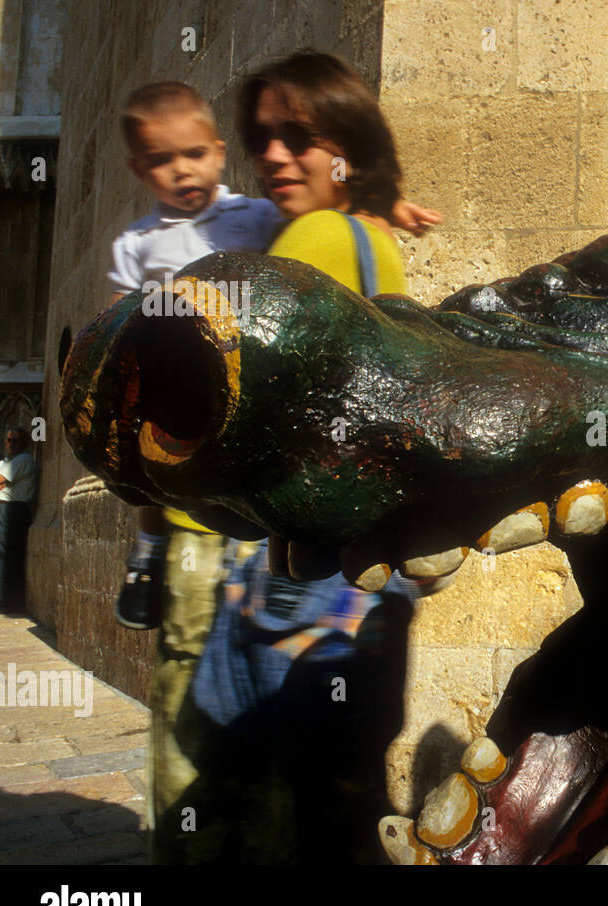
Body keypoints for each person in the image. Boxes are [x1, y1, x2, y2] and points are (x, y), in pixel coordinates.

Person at [106, 76, 439, 862]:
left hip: (234, 544)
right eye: (264, 139)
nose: (274, 156)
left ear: (346, 149)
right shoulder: (358, 237)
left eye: (298, 137)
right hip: (333, 582)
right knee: (323, 790)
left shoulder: (303, 242)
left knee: (206, 762)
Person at [108, 81, 441, 632]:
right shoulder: (139, 242)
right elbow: (118, 318)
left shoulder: (259, 218)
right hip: (187, 403)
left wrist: (387, 202)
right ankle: (145, 552)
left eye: (195, 154)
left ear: (217, 154)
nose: (183, 172)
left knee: (210, 656)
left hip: (230, 485)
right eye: (162, 161)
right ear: (140, 170)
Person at [0, 428, 39, 614]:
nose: (11, 443)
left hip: (8, 510)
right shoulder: (5, 461)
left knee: (5, 557)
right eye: (9, 440)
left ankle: (8, 602)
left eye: (16, 441)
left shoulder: (23, 460)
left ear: (24, 443)